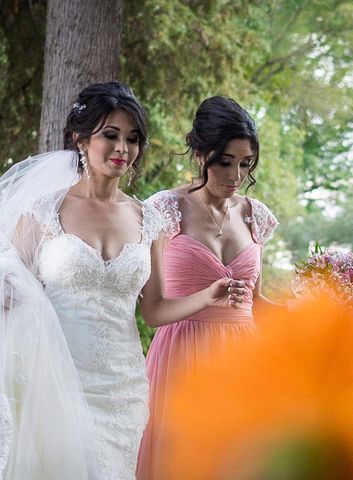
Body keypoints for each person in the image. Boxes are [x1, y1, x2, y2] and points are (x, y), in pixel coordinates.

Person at [0, 82, 244, 479]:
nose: (122, 149)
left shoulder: (151, 220)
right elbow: (10, 285)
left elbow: (154, 309)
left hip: (122, 390)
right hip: (55, 380)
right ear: (80, 139)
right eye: (110, 135)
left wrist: (207, 296)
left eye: (132, 139)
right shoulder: (43, 212)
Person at [136, 96, 280, 479]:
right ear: (200, 155)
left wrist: (317, 309)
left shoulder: (256, 215)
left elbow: (258, 302)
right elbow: (152, 312)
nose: (235, 175)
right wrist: (207, 296)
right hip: (181, 358)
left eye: (245, 164)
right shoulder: (164, 209)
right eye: (225, 161)